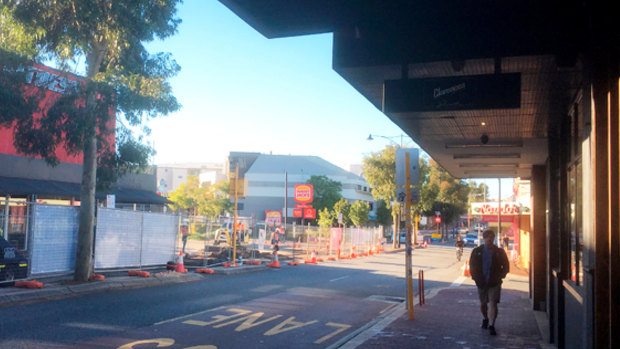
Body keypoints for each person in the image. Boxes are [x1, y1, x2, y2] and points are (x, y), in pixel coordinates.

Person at [469, 229, 509, 336]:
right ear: (484, 238)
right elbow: (472, 266)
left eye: (491, 237)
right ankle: (485, 318)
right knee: (483, 304)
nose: (490, 239)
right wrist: (476, 278)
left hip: (494, 283)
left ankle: (492, 325)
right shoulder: (477, 251)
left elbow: (506, 266)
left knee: (493, 302)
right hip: (481, 282)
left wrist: (500, 277)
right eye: (487, 237)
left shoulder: (499, 252)